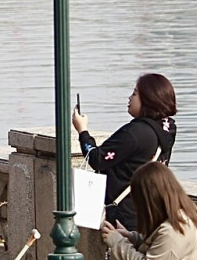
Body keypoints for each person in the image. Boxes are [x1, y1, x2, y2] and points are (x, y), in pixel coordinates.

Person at [75, 72, 179, 231]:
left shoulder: (135, 133)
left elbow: (97, 158)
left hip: (126, 215)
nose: (130, 98)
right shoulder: (167, 129)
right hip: (151, 210)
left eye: (135, 93)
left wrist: (82, 131)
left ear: (148, 99)